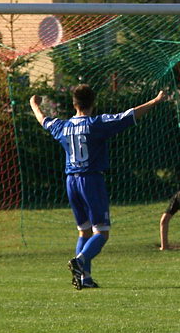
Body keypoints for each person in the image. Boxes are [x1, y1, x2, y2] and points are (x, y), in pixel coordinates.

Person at [30, 85, 166, 289]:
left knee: (84, 232)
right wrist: (155, 101)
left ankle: (85, 279)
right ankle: (80, 261)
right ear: (93, 103)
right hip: (91, 181)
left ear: (73, 104)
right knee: (101, 233)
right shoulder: (96, 124)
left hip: (71, 182)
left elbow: (43, 119)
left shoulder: (63, 126)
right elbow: (128, 116)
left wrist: (33, 104)